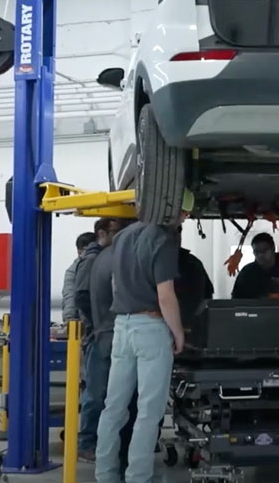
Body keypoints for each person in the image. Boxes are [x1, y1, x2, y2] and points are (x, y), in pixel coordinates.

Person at [94, 190, 193, 483]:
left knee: (114, 408)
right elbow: (165, 296)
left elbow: (114, 282)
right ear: (177, 211)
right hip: (150, 329)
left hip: (122, 328)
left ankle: (105, 474)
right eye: (185, 213)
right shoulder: (164, 239)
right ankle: (138, 477)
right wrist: (177, 334)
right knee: (149, 411)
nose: (185, 218)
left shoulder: (123, 235)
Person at [76, 218, 123, 461]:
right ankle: (87, 443)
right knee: (96, 392)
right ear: (101, 233)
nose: (121, 235)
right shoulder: (93, 260)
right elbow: (81, 295)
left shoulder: (109, 257)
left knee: (110, 393)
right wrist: (96, 323)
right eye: (117, 231)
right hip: (98, 335)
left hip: (109, 332)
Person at [231, 232, 279, 298]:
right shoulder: (246, 273)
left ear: (273, 249)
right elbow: (236, 300)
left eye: (264, 250)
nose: (260, 255)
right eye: (256, 252)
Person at [62, 232, 96, 323]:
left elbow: (69, 294)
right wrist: (70, 318)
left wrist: (69, 318)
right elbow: (70, 294)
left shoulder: (72, 270)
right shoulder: (73, 270)